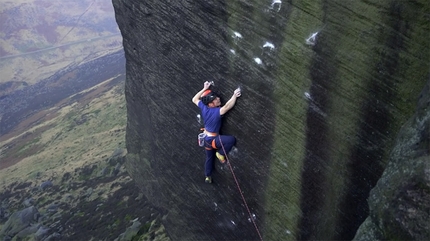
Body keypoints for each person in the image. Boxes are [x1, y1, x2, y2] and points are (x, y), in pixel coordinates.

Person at [192, 81, 241, 183]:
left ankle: (207, 176)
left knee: (209, 158)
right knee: (231, 140)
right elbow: (227, 106)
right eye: (215, 99)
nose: (218, 99)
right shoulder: (216, 112)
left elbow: (194, 99)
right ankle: (220, 153)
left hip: (206, 139)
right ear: (211, 104)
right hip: (213, 139)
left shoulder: (204, 107)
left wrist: (204, 88)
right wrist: (234, 96)